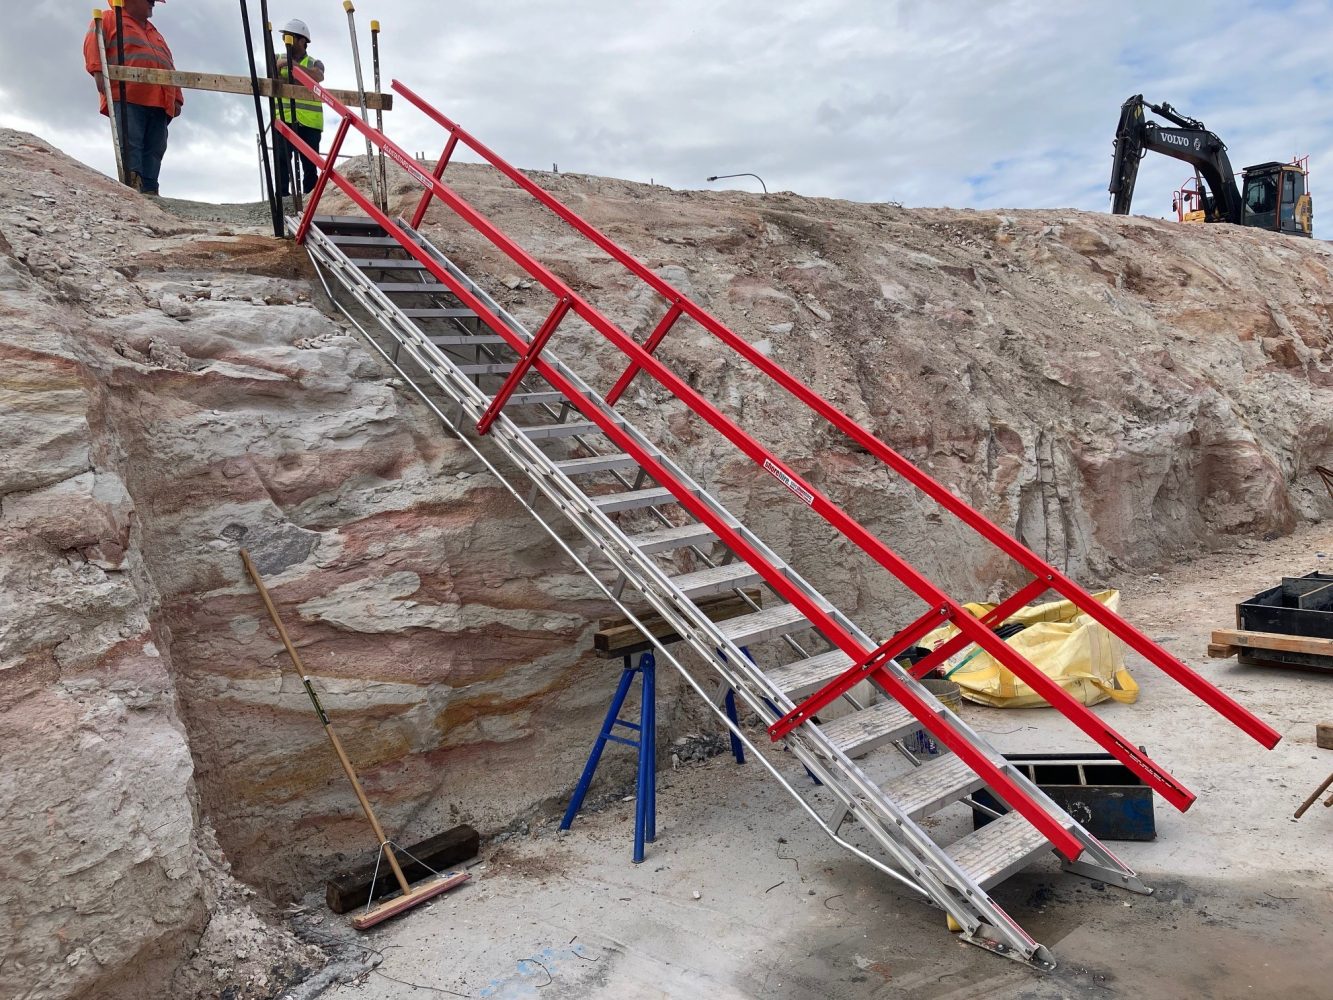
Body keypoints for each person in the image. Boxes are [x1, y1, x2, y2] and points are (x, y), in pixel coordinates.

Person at [83, 0, 183, 196]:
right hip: (128, 95)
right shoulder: (109, 19)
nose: (153, 3)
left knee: (156, 148)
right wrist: (97, 71)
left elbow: (168, 65)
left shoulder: (154, 33)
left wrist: (177, 96)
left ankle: (150, 190)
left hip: (160, 99)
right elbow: (94, 44)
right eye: (149, 0)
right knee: (131, 144)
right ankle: (133, 187)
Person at [273, 19, 325, 202]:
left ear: (302, 40)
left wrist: (292, 66)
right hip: (285, 118)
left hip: (310, 122)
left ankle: (311, 198)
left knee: (310, 163)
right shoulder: (277, 58)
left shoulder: (314, 63)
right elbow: (271, 78)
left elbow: (317, 76)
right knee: (282, 159)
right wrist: (279, 66)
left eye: (289, 37)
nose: (285, 40)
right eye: (284, 36)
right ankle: (283, 197)